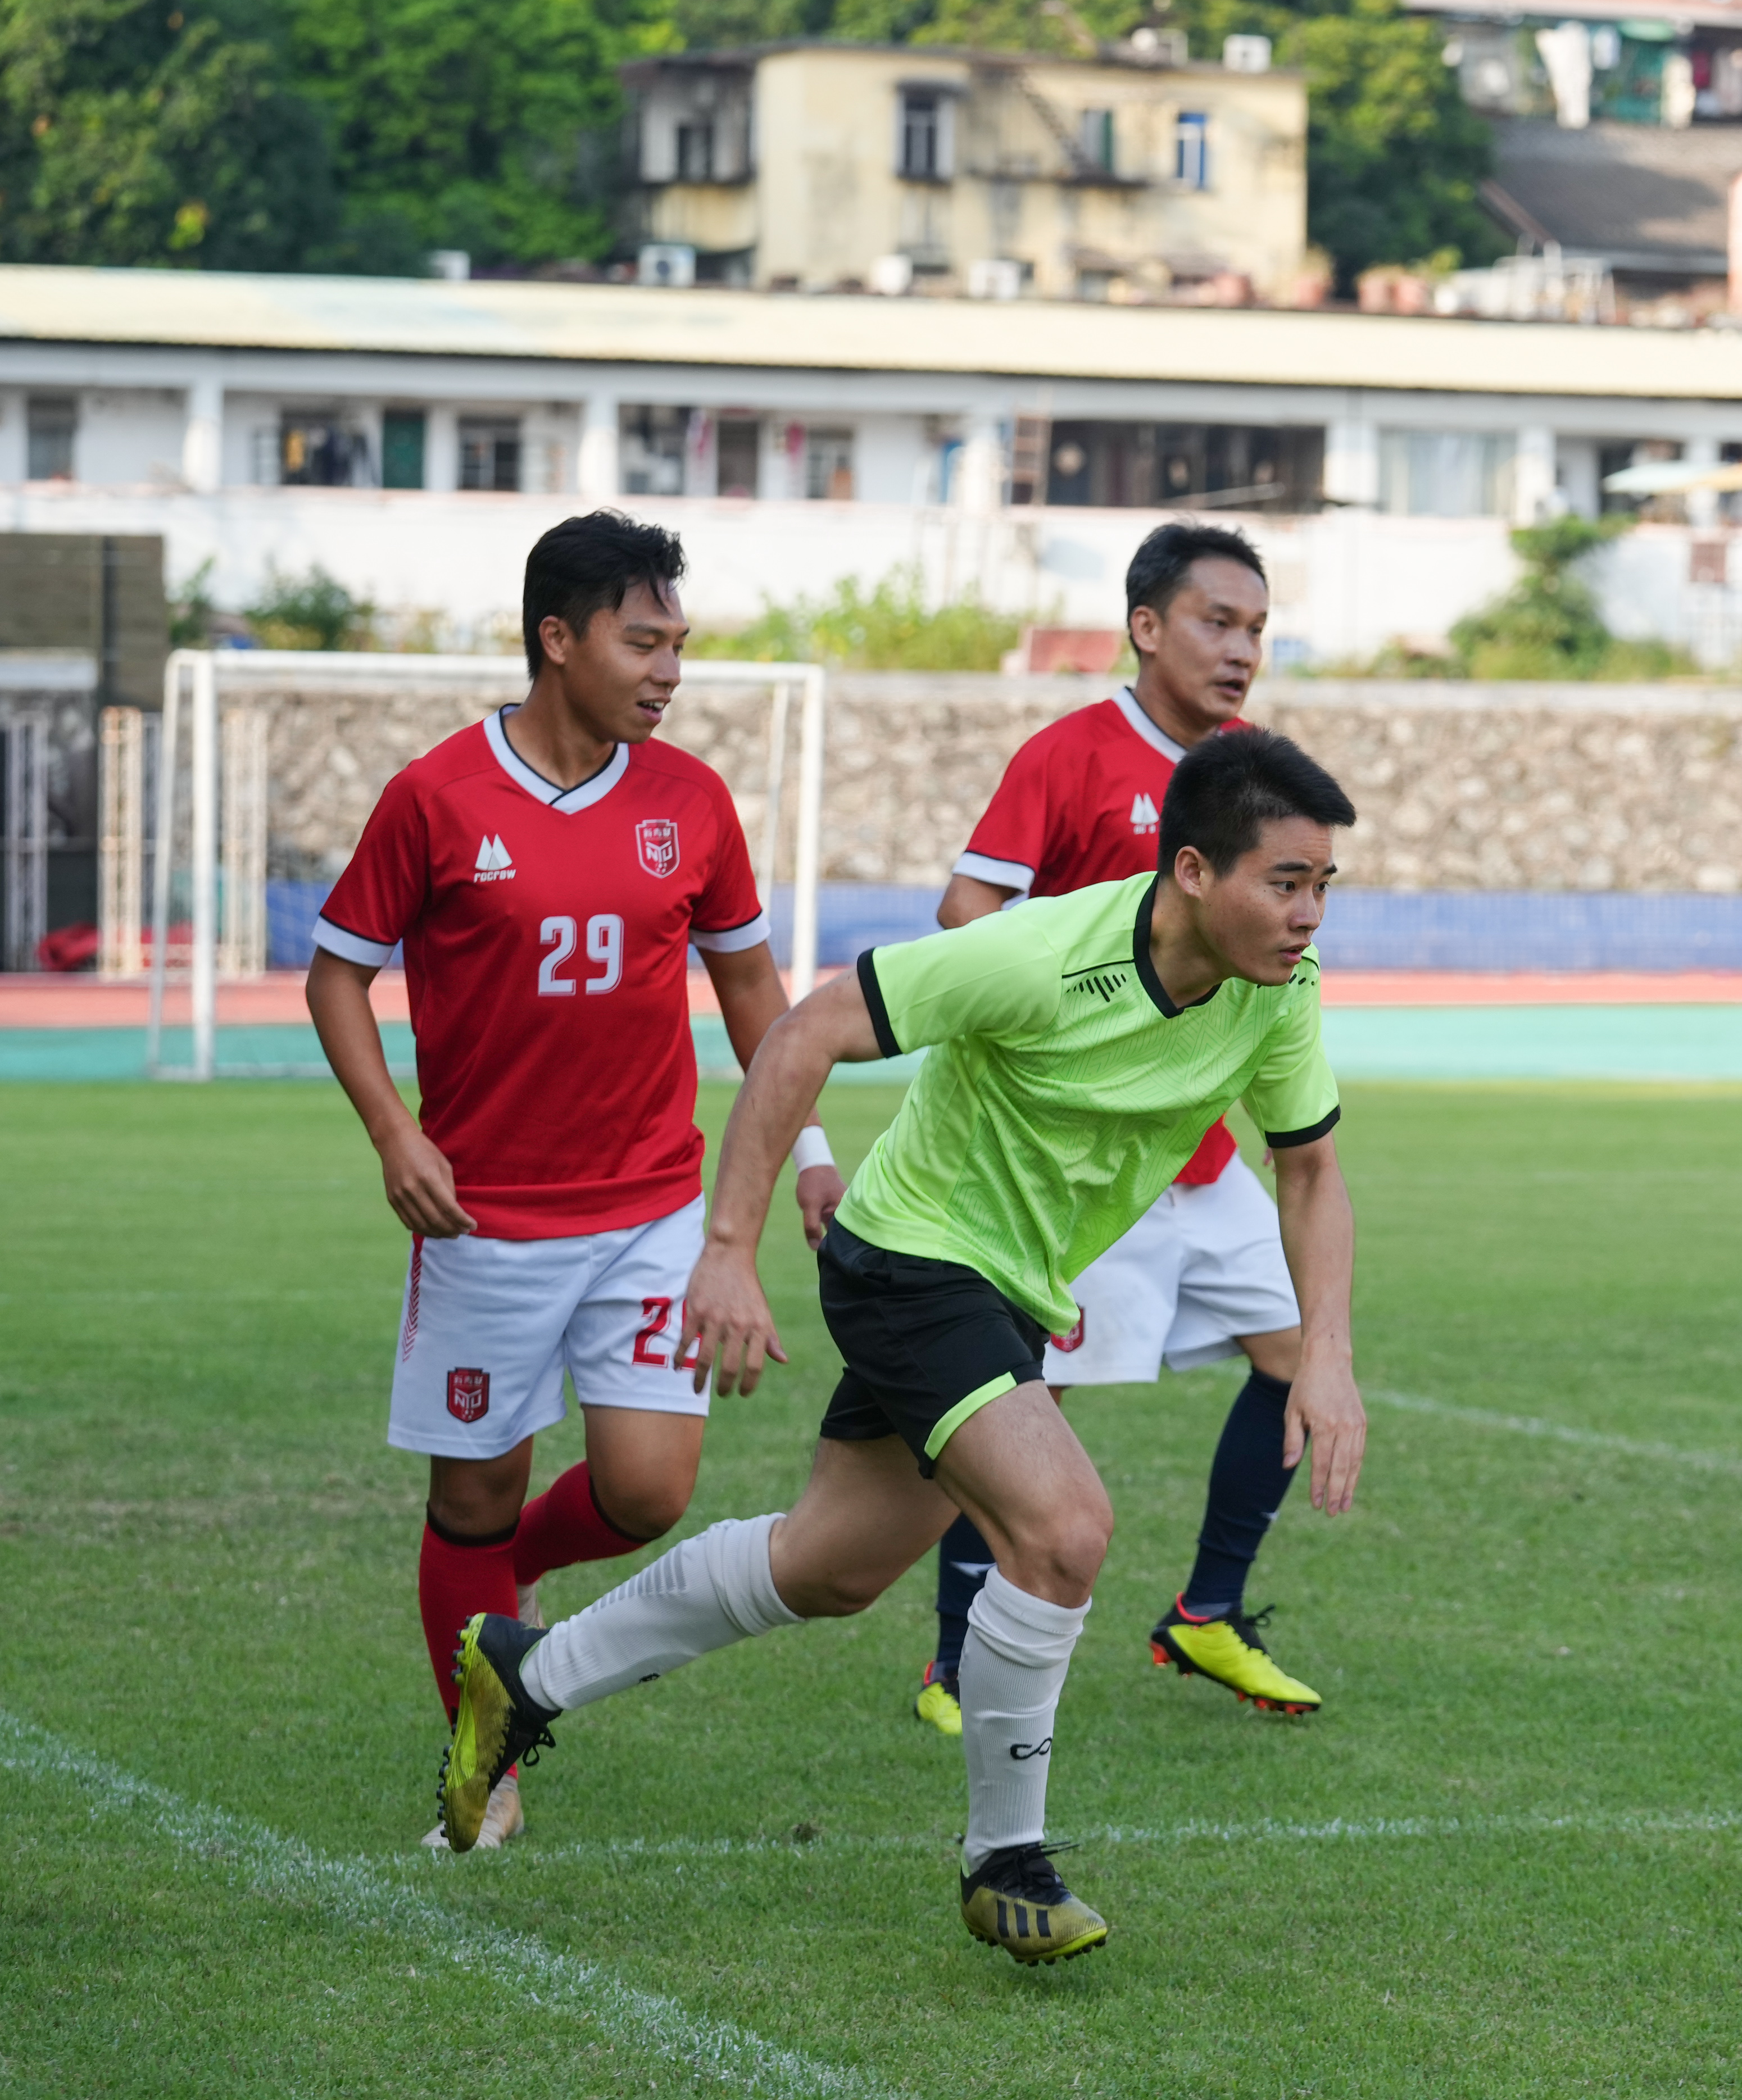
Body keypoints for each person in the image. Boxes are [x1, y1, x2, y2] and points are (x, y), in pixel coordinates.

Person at [432, 727, 1365, 1970]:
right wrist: (727, 1247)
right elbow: (805, 1030)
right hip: (910, 1262)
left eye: (1322, 888)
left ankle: (524, 1678)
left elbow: (1308, 1172)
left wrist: (1329, 1355)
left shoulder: (1280, 995)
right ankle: (1006, 1864)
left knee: (826, 1568)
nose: (1308, 916)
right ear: (1193, 871)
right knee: (1066, 1527)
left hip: (1008, 1294)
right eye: (1285, 883)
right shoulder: (1040, 953)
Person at [305, 511, 841, 1849]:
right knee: (470, 1497)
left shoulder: (692, 800)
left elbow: (753, 991)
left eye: (679, 645)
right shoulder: (437, 796)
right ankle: (487, 1760)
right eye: (642, 641)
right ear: (559, 637)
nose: (668, 671)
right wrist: (393, 1132)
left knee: (652, 1488)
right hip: (482, 1218)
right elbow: (337, 972)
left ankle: (513, 1576)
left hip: (653, 1207)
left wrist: (814, 1152)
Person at [908, 521, 1324, 1743]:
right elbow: (964, 910)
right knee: (1017, 1412)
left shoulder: (1258, 772)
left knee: (1300, 1358)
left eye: (1256, 628)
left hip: (1201, 1158)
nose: (1243, 649)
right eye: (1217, 622)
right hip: (1082, 1167)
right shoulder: (1073, 755)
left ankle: (1209, 1613)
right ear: (1146, 629)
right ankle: (949, 1659)